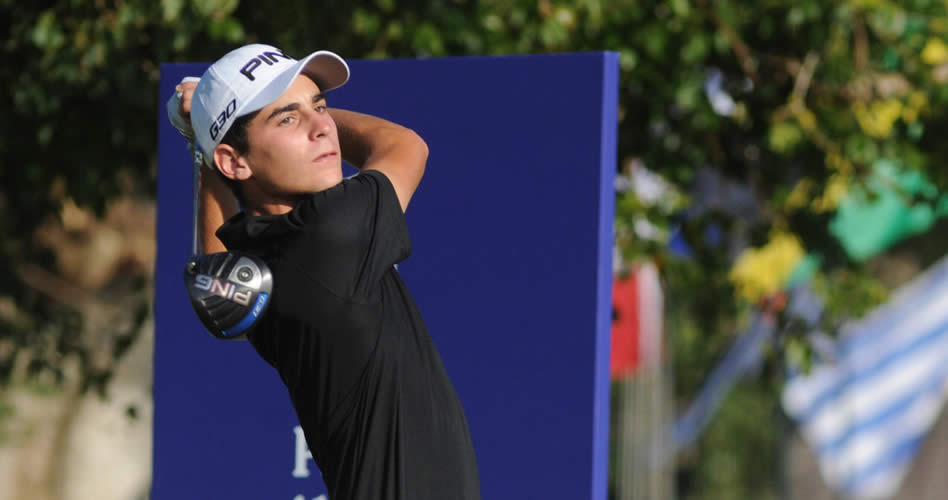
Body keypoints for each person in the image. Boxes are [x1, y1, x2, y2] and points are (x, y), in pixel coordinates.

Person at [168, 44, 481, 500]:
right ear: (236, 162)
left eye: (321, 107)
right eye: (288, 119)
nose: (324, 129)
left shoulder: (250, 265)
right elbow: (404, 144)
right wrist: (204, 137)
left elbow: (217, 265)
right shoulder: (333, 232)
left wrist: (207, 142)